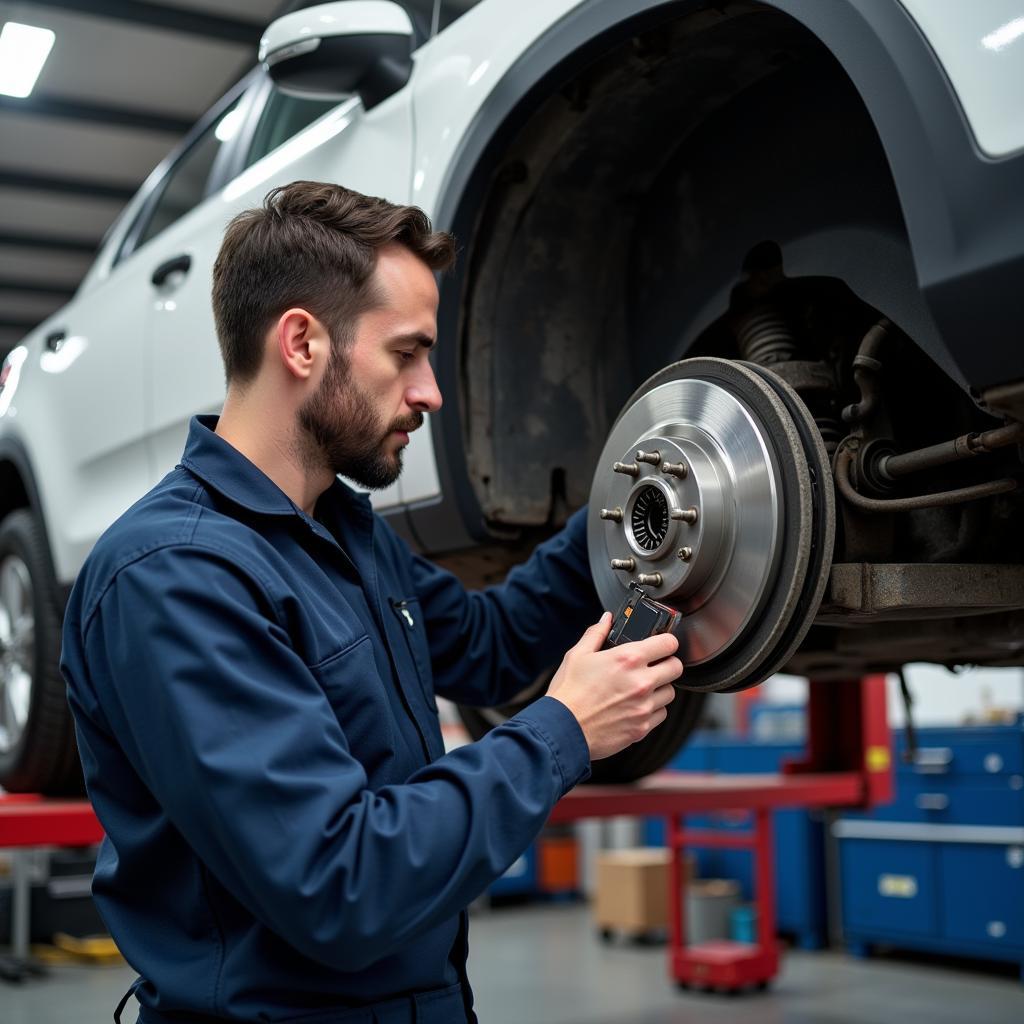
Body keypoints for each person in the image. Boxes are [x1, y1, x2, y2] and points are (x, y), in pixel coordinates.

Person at [61, 180, 683, 1024]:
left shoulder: (347, 536)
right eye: (406, 353)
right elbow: (340, 884)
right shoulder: (175, 576)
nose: (429, 392)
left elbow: (491, 641)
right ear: (302, 343)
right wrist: (562, 731)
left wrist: (627, 497)